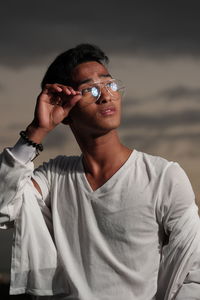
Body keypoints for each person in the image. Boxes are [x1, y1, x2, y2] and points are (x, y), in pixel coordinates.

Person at [0, 44, 200, 300]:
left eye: (110, 85)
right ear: (65, 110)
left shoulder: (163, 177)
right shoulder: (54, 177)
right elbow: (3, 207)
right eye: (90, 90)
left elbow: (193, 273)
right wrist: (36, 131)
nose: (106, 96)